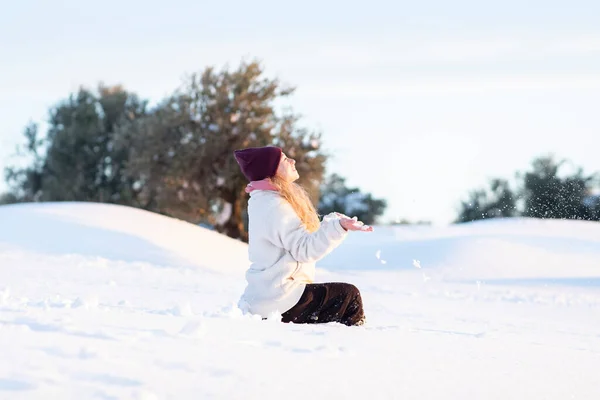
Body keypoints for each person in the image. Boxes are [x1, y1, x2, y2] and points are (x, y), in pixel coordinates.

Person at [233, 146, 373, 326]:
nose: (292, 161)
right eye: (284, 159)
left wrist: (334, 221)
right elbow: (304, 250)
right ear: (271, 170)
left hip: (268, 297)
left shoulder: (265, 200)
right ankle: (353, 347)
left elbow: (300, 239)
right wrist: (337, 227)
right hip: (279, 301)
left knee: (339, 298)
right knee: (348, 296)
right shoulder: (274, 205)